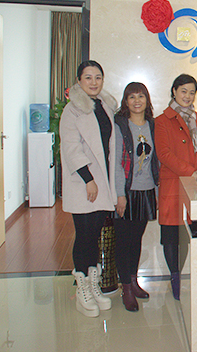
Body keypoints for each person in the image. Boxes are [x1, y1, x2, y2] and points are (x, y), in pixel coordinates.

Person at [60, 60, 116, 318]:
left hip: (101, 182)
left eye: (98, 77)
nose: (94, 82)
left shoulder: (105, 105)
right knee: (83, 235)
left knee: (94, 235)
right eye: (88, 77)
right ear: (79, 80)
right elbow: (71, 147)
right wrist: (88, 179)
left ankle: (93, 286)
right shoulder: (72, 110)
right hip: (84, 182)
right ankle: (82, 288)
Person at [155, 74, 197, 300]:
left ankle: (181, 275)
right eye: (183, 91)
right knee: (171, 234)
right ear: (174, 91)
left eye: (191, 92)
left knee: (188, 232)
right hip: (174, 184)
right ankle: (174, 277)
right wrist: (192, 172)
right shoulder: (162, 120)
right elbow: (164, 154)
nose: (187, 96)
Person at [113, 82, 159, 311]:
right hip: (127, 191)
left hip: (147, 189)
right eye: (132, 97)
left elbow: (156, 161)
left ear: (147, 100)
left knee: (136, 239)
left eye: (141, 96)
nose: (137, 101)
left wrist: (157, 192)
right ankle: (126, 288)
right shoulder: (120, 125)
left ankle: (133, 281)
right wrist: (119, 194)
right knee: (124, 240)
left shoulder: (153, 125)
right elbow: (115, 162)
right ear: (126, 101)